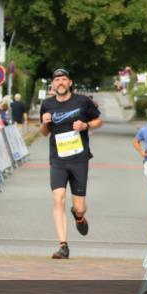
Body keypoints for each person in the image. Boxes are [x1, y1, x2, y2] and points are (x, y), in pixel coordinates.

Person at [39, 68, 103, 259]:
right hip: (57, 159)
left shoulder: (82, 101)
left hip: (79, 159)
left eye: (63, 79)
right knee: (58, 198)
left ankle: (79, 216)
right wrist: (44, 123)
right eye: (57, 80)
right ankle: (63, 246)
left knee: (80, 207)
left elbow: (98, 121)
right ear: (53, 84)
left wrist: (86, 125)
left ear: (70, 82)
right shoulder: (47, 104)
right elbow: (44, 133)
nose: (60, 82)